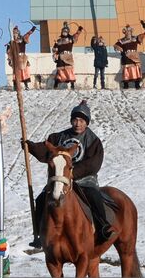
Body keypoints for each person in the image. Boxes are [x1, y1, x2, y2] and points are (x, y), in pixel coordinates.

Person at [26, 100, 114, 246]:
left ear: (87, 122)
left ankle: (102, 227)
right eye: (75, 120)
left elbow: (93, 164)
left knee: (94, 196)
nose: (78, 124)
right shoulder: (59, 137)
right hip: (60, 179)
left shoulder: (93, 141)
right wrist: (30, 146)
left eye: (81, 121)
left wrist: (73, 173)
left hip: (85, 179)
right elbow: (46, 150)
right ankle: (40, 234)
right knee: (41, 199)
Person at [115, 23, 145, 89]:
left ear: (131, 32)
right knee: (126, 71)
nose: (128, 33)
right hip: (126, 58)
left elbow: (142, 36)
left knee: (136, 70)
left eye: (129, 31)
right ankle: (126, 85)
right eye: (127, 32)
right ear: (125, 32)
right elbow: (116, 46)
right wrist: (119, 48)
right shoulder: (121, 41)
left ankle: (137, 84)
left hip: (135, 57)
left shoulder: (135, 38)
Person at [52, 22, 85, 90]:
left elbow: (76, 35)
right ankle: (56, 85)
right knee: (60, 71)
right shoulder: (58, 41)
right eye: (63, 31)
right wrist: (55, 57)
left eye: (66, 31)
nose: (64, 32)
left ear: (68, 32)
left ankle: (72, 85)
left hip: (68, 57)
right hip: (60, 58)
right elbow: (55, 50)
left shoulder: (70, 39)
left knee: (69, 70)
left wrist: (79, 30)